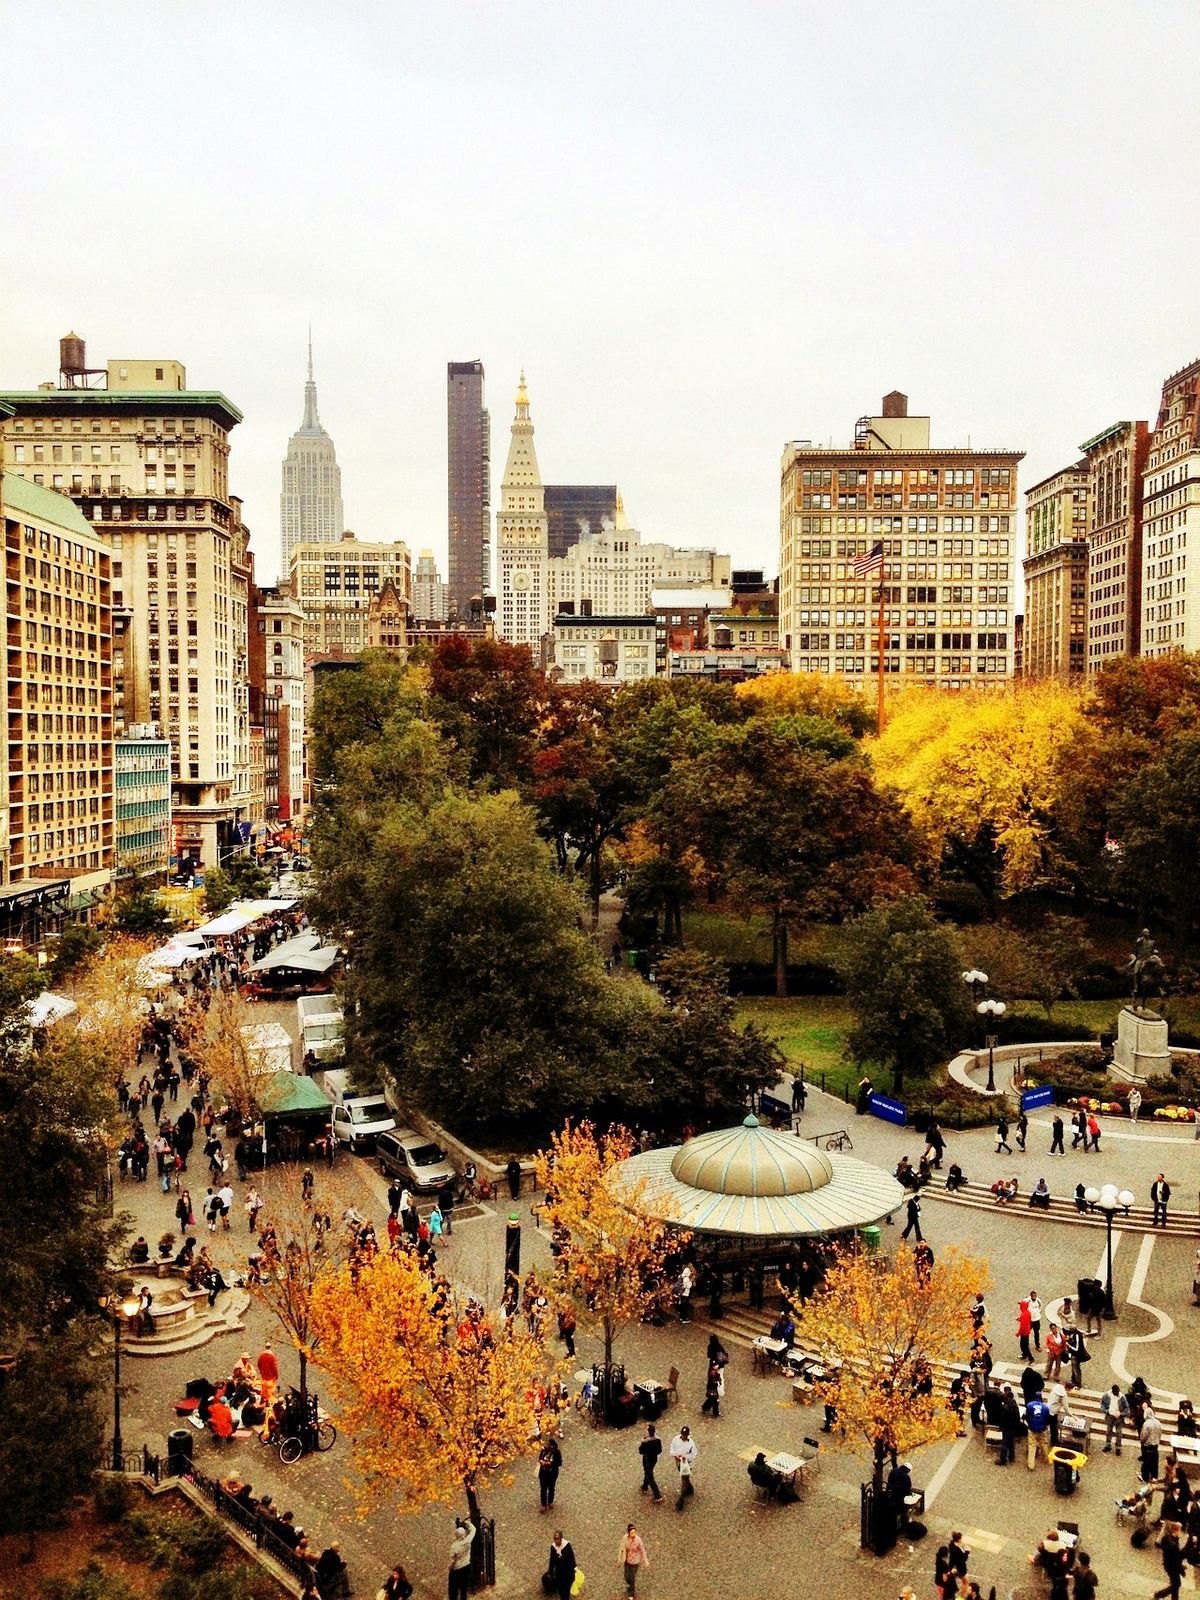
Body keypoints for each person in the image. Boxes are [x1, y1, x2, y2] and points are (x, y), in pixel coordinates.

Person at [1154, 1523, 1186, 1600]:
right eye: (1180, 1530)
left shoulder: (1166, 1538)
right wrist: (1182, 1571)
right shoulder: (1174, 1546)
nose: (1180, 1532)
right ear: (1176, 1531)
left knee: (1175, 1584)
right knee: (1176, 1584)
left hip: (1167, 1564)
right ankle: (1159, 1595)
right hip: (1173, 1567)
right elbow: (1176, 1560)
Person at [669, 1424, 697, 1509]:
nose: (683, 1436)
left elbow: (694, 1454)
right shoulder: (676, 1439)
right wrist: (675, 1455)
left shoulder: (691, 1443)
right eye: (682, 1434)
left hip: (687, 1465)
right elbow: (671, 1449)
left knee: (684, 1481)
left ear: (688, 1434)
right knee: (686, 1479)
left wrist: (686, 1457)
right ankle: (690, 1489)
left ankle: (681, 1502)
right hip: (679, 1463)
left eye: (685, 1435)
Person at [618, 1524, 649, 1597]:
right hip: (627, 1560)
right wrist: (619, 1560)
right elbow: (621, 1548)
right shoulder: (625, 1538)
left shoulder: (638, 1540)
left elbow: (643, 1551)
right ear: (628, 1533)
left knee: (632, 1577)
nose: (634, 1534)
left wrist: (646, 1561)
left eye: (635, 1532)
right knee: (626, 1577)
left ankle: (632, 1593)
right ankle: (629, 1586)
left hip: (635, 1561)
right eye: (632, 1533)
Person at [448, 1517, 475, 1600]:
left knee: (453, 1589)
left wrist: (450, 1567)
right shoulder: (468, 1541)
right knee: (463, 1588)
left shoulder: (454, 1546)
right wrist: (467, 1524)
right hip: (466, 1567)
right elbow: (473, 1530)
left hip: (457, 1569)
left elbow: (452, 1560)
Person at [545, 1530, 576, 1600]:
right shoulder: (553, 1547)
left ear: (561, 1539)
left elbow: (571, 1557)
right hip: (559, 1572)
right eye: (555, 1539)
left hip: (567, 1572)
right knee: (561, 1589)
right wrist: (550, 1572)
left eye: (557, 1539)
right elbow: (552, 1560)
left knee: (567, 1588)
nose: (556, 1541)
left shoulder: (567, 1546)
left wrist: (574, 1567)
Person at [1102, 1382, 1130, 1455]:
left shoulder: (1122, 1397)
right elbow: (1102, 1404)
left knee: (1119, 1432)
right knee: (1109, 1431)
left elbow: (1127, 1408)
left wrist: (1121, 1414)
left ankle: (1118, 1448)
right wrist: (1107, 1411)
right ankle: (1108, 1445)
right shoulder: (1107, 1395)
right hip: (1110, 1416)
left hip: (1119, 1418)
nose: (1117, 1394)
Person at [1026, 1391, 1051, 1468]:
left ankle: (1031, 1465)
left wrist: (1030, 1424)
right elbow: (1047, 1419)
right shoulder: (1045, 1408)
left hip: (1032, 1428)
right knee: (1044, 1444)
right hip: (1041, 1429)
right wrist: (1044, 1426)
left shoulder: (1029, 1405)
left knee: (1032, 1446)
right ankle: (1046, 1458)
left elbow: (1027, 1416)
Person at [638, 1423, 663, 1501]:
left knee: (650, 1476)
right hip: (654, 1459)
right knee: (648, 1472)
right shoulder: (657, 1440)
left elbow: (641, 1451)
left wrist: (642, 1443)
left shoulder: (646, 1441)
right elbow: (659, 1450)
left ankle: (657, 1495)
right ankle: (645, 1486)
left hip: (647, 1460)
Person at [537, 1436, 561, 1510]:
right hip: (543, 1473)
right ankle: (543, 1504)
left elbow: (559, 1463)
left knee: (551, 1488)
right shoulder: (543, 1450)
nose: (545, 1445)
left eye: (547, 1444)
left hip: (552, 1474)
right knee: (543, 1489)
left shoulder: (556, 1452)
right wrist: (541, 1461)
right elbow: (540, 1457)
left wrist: (550, 1463)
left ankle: (550, 1502)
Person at [1141, 1404, 1162, 1484]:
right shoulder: (1158, 1422)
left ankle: (1145, 1477)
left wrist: (1142, 1441)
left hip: (1147, 1445)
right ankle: (1154, 1476)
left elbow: (1144, 1435)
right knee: (1154, 1462)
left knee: (1146, 1462)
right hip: (1155, 1445)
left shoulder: (1146, 1424)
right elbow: (1160, 1433)